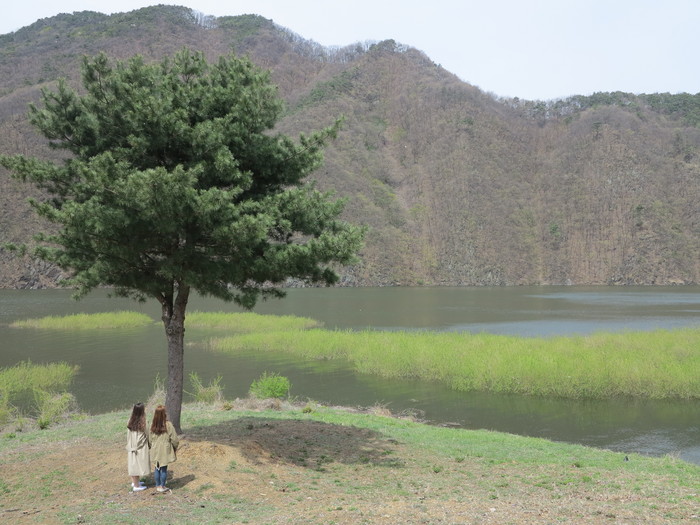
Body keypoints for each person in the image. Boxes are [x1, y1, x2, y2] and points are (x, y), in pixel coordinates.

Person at [149, 404, 179, 493]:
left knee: (157, 467)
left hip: (155, 449)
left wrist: (151, 446)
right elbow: (174, 439)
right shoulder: (168, 425)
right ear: (164, 414)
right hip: (165, 449)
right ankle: (162, 486)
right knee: (163, 468)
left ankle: (157, 485)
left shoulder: (152, 425)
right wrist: (175, 447)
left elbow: (150, 439)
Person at [126, 402, 150, 492]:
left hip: (132, 446)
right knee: (136, 466)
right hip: (140, 447)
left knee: (133, 464)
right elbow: (148, 434)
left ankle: (135, 482)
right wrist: (150, 444)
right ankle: (136, 486)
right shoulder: (144, 422)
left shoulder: (130, 421)